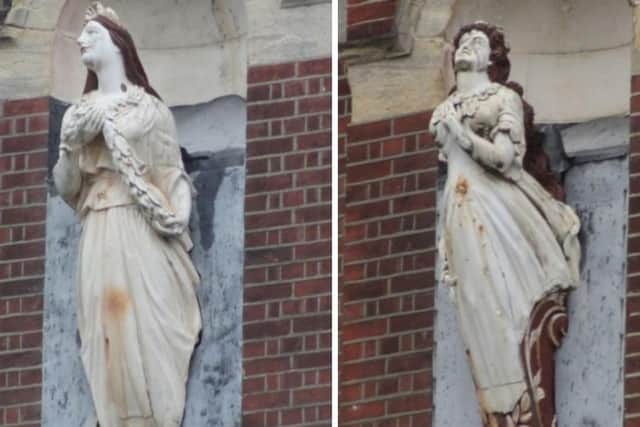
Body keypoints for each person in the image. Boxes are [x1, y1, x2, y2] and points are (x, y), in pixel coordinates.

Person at [53, 3, 201, 426]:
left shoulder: (150, 112)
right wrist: (67, 147)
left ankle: (155, 412)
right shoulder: (76, 116)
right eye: (79, 36)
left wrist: (176, 215)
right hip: (100, 224)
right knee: (108, 322)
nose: (81, 41)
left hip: (141, 224)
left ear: (117, 44)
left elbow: (170, 174)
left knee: (148, 320)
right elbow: (67, 188)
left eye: (92, 35)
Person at [429, 22, 581, 426]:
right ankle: (498, 394)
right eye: (461, 41)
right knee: (473, 298)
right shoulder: (443, 109)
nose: (466, 46)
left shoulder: (501, 98)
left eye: (476, 42)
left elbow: (505, 157)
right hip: (458, 208)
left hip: (498, 205)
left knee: (506, 289)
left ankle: (520, 392)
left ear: (491, 58)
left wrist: (461, 136)